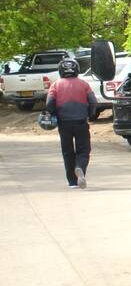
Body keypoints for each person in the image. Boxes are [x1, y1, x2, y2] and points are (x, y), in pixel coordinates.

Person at [46, 57, 96, 189]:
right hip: (81, 122)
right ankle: (80, 167)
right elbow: (93, 101)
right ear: (77, 70)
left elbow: (49, 103)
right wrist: (90, 114)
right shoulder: (84, 84)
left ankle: (72, 182)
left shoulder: (55, 85)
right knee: (84, 150)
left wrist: (54, 114)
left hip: (64, 123)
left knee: (67, 151)